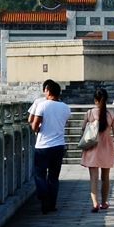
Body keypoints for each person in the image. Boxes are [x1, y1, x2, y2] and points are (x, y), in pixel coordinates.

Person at [28, 79, 71, 214]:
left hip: (43, 145)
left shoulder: (43, 106)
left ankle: (43, 193)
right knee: (53, 177)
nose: (44, 93)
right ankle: (52, 204)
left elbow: (34, 126)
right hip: (59, 145)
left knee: (39, 174)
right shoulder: (66, 107)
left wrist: (37, 129)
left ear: (49, 92)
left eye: (45, 90)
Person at [80, 87, 114, 213]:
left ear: (95, 100)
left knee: (93, 177)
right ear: (107, 99)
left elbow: (83, 129)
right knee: (105, 178)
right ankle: (104, 203)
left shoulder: (89, 113)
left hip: (92, 147)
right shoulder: (112, 114)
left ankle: (95, 204)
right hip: (107, 147)